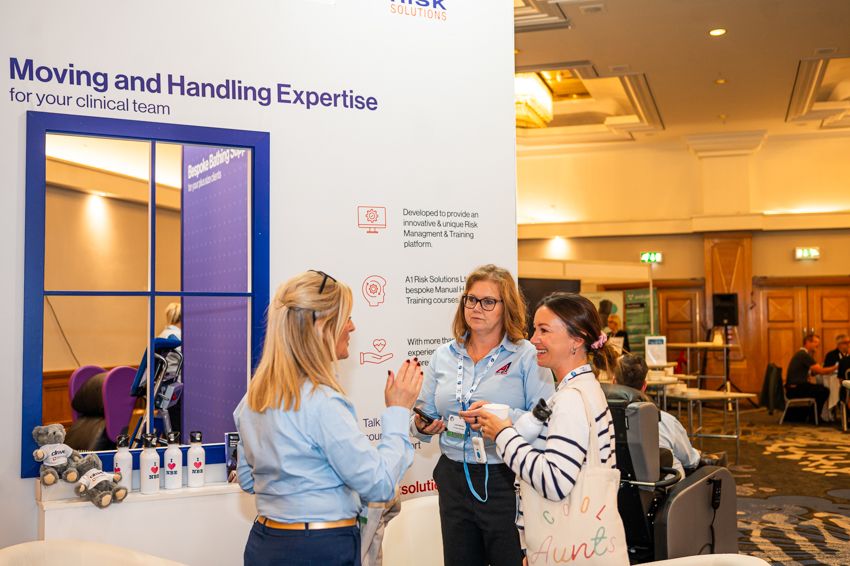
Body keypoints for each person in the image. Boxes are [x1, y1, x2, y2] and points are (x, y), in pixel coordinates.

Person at [233, 270, 423, 566]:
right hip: (319, 550)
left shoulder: (253, 399)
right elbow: (379, 485)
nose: (352, 326)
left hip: (265, 544)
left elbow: (248, 480)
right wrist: (398, 411)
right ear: (322, 327)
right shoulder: (322, 402)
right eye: (346, 317)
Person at [413, 264, 555, 566]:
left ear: (507, 307)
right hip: (453, 476)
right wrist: (422, 425)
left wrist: (500, 416)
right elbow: (424, 413)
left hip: (505, 477)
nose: (477, 308)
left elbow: (546, 417)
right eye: (471, 299)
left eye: (488, 301)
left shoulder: (527, 355)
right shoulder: (443, 355)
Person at [472, 292, 620, 560]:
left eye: (544, 330)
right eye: (534, 329)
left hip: (567, 547)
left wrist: (503, 434)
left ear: (576, 339)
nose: (533, 339)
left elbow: (554, 482)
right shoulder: (584, 389)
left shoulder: (571, 399)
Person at [614, 353, 700, 476]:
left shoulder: (602, 420)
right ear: (644, 386)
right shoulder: (664, 421)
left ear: (613, 382)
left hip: (618, 483)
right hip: (665, 484)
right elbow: (690, 461)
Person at [786, 334, 836, 419]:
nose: (818, 345)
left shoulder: (802, 354)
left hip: (794, 387)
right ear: (807, 342)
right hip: (795, 389)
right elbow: (821, 371)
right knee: (824, 391)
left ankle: (812, 415)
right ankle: (814, 417)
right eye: (815, 342)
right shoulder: (804, 355)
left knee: (821, 389)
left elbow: (813, 372)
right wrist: (837, 366)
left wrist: (821, 369)